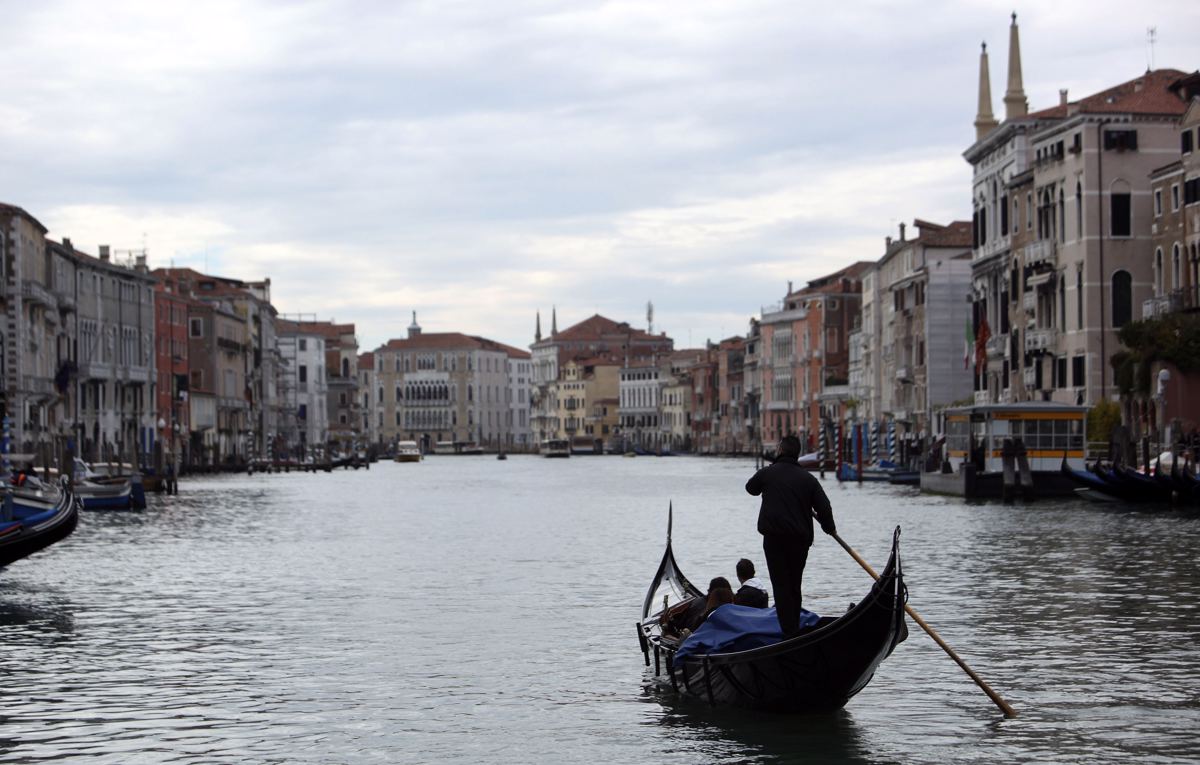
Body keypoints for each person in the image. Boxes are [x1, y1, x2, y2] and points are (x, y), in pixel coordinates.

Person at [745, 434, 836, 635]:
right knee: (794, 585)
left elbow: (751, 488)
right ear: (798, 453)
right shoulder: (808, 480)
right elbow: (825, 508)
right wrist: (829, 528)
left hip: (774, 540)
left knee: (781, 586)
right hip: (799, 542)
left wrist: (768, 478)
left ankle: (789, 633)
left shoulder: (768, 474)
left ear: (779, 450)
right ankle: (793, 627)